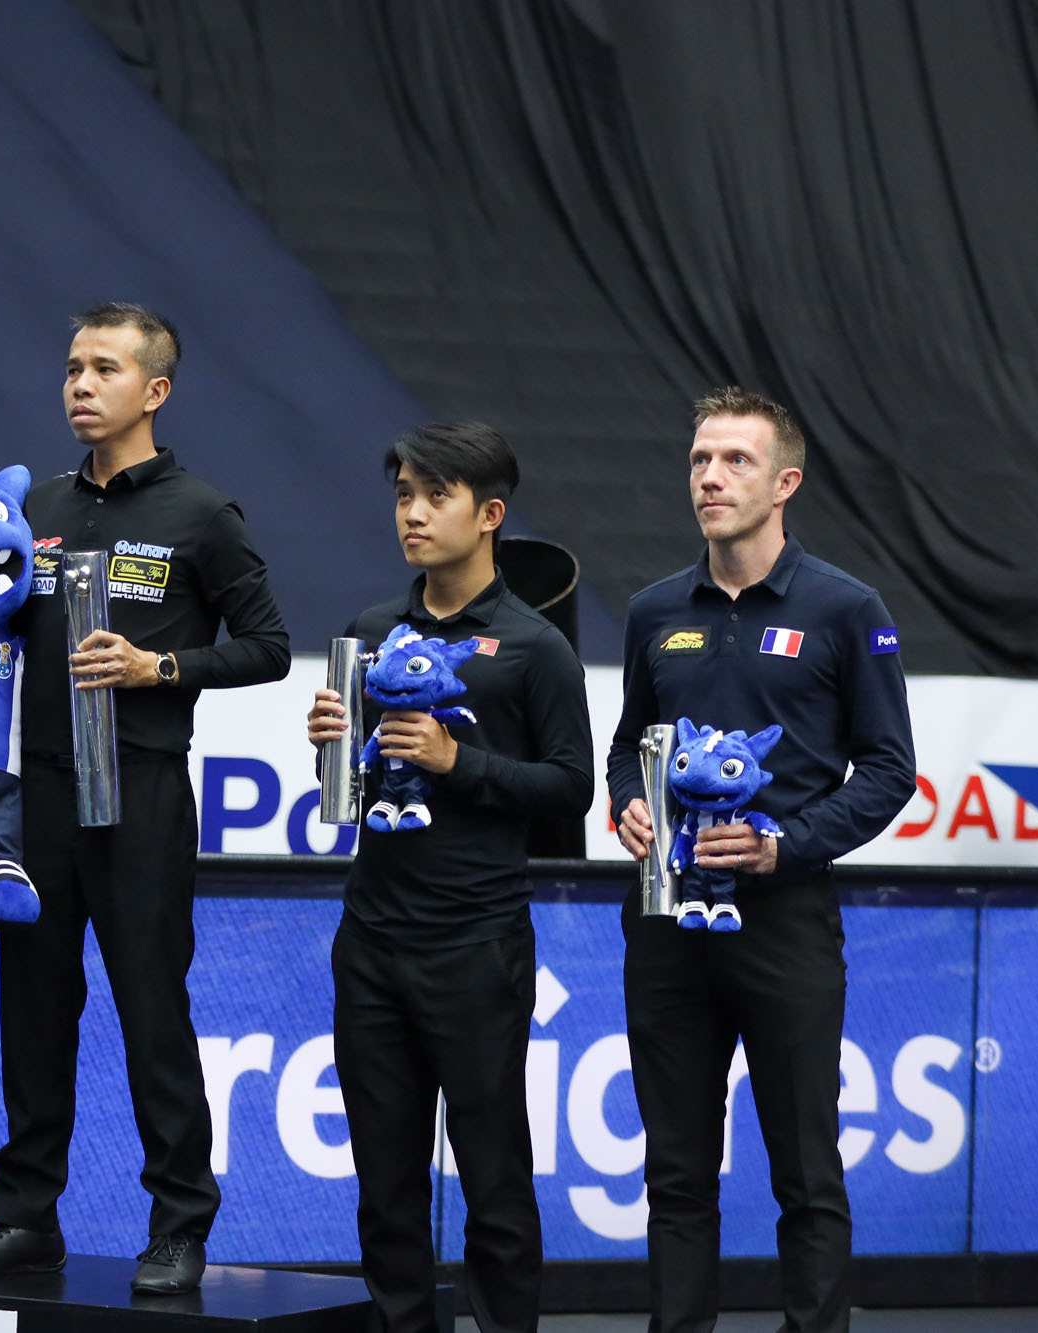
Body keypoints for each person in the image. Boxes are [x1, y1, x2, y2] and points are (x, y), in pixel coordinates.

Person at [0, 303, 290, 1295]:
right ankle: (25, 1219)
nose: (77, 384)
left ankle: (178, 1225)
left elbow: (270, 647)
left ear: (152, 391)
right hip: (33, 796)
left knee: (152, 1010)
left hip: (144, 791)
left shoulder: (202, 514)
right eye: (71, 366)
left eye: (102, 368)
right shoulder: (30, 515)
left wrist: (159, 665)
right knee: (32, 1011)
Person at [607, 387, 915, 1333]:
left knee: (805, 1171)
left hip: (785, 925)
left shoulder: (846, 608)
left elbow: (892, 768)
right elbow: (628, 743)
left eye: (735, 460)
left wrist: (787, 844)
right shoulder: (656, 608)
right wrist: (625, 800)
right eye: (700, 459)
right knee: (675, 1173)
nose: (710, 477)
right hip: (668, 922)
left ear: (786, 481)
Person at [305, 422, 593, 1333]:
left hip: (477, 943)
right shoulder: (370, 632)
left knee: (494, 1177)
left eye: (436, 496)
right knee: (384, 1185)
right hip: (373, 938)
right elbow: (353, 790)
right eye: (403, 495)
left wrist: (456, 759)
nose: (414, 514)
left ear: (491, 514)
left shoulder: (535, 645)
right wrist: (333, 744)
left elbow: (573, 788)